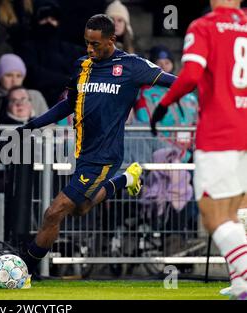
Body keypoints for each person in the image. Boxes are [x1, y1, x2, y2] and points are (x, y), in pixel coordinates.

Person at [17, 14, 177, 283]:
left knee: (54, 211)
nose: (89, 49)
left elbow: (174, 81)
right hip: (83, 152)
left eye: (95, 44)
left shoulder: (132, 66)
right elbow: (69, 104)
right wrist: (32, 125)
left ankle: (24, 272)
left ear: (112, 40)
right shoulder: (82, 65)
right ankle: (126, 179)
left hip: (105, 153)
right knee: (80, 209)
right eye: (86, 43)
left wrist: (209, 85)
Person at [150, 0, 247, 300]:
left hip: (219, 132)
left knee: (212, 214)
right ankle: (240, 284)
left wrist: (164, 104)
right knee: (236, 209)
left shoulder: (203, 26)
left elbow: (191, 75)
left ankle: (246, 279)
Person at [135, 45, 198, 162]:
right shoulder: (146, 95)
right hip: (164, 158)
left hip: (193, 156)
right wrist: (183, 156)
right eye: (159, 63)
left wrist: (195, 154)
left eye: (167, 62)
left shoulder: (189, 96)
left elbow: (199, 125)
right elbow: (147, 129)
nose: (163, 66)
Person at [18, 1, 85, 106]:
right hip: (38, 100)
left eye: (53, 19)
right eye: (44, 18)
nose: (49, 22)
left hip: (69, 99)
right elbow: (34, 75)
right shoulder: (27, 48)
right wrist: (66, 80)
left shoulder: (71, 49)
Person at [0, 53, 48, 123]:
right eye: (9, 75)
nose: (14, 80)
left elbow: (48, 124)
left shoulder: (35, 96)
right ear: (0, 77)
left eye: (18, 76)